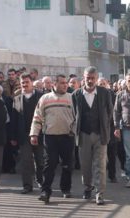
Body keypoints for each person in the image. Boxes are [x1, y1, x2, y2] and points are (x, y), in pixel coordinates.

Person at [30, 74, 76, 203]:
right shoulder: (45, 98)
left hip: (67, 136)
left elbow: (77, 118)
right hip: (50, 137)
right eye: (62, 83)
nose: (65, 85)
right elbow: (37, 117)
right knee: (49, 165)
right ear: (54, 84)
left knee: (67, 164)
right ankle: (45, 191)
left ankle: (66, 189)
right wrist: (34, 134)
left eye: (66, 83)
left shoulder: (72, 98)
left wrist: (74, 131)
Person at [72, 66, 113, 205]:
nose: (90, 80)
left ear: (96, 78)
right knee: (85, 165)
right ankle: (87, 187)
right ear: (83, 77)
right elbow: (74, 114)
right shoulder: (76, 94)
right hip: (83, 134)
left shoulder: (104, 93)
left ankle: (99, 193)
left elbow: (109, 112)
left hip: (100, 134)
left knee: (100, 165)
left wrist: (104, 128)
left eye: (93, 78)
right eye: (87, 78)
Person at [11, 73, 44, 194]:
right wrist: (13, 137)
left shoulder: (41, 97)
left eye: (27, 82)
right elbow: (14, 119)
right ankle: (27, 185)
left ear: (32, 83)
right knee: (26, 162)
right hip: (23, 135)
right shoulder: (17, 99)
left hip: (39, 134)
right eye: (22, 83)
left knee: (40, 160)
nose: (25, 85)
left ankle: (41, 181)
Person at [96, 77, 118, 183]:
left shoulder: (113, 95)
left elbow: (115, 111)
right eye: (99, 84)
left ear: (107, 85)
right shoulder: (94, 96)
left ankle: (112, 175)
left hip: (110, 128)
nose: (101, 86)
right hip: (98, 129)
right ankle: (100, 175)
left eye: (103, 84)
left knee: (111, 153)